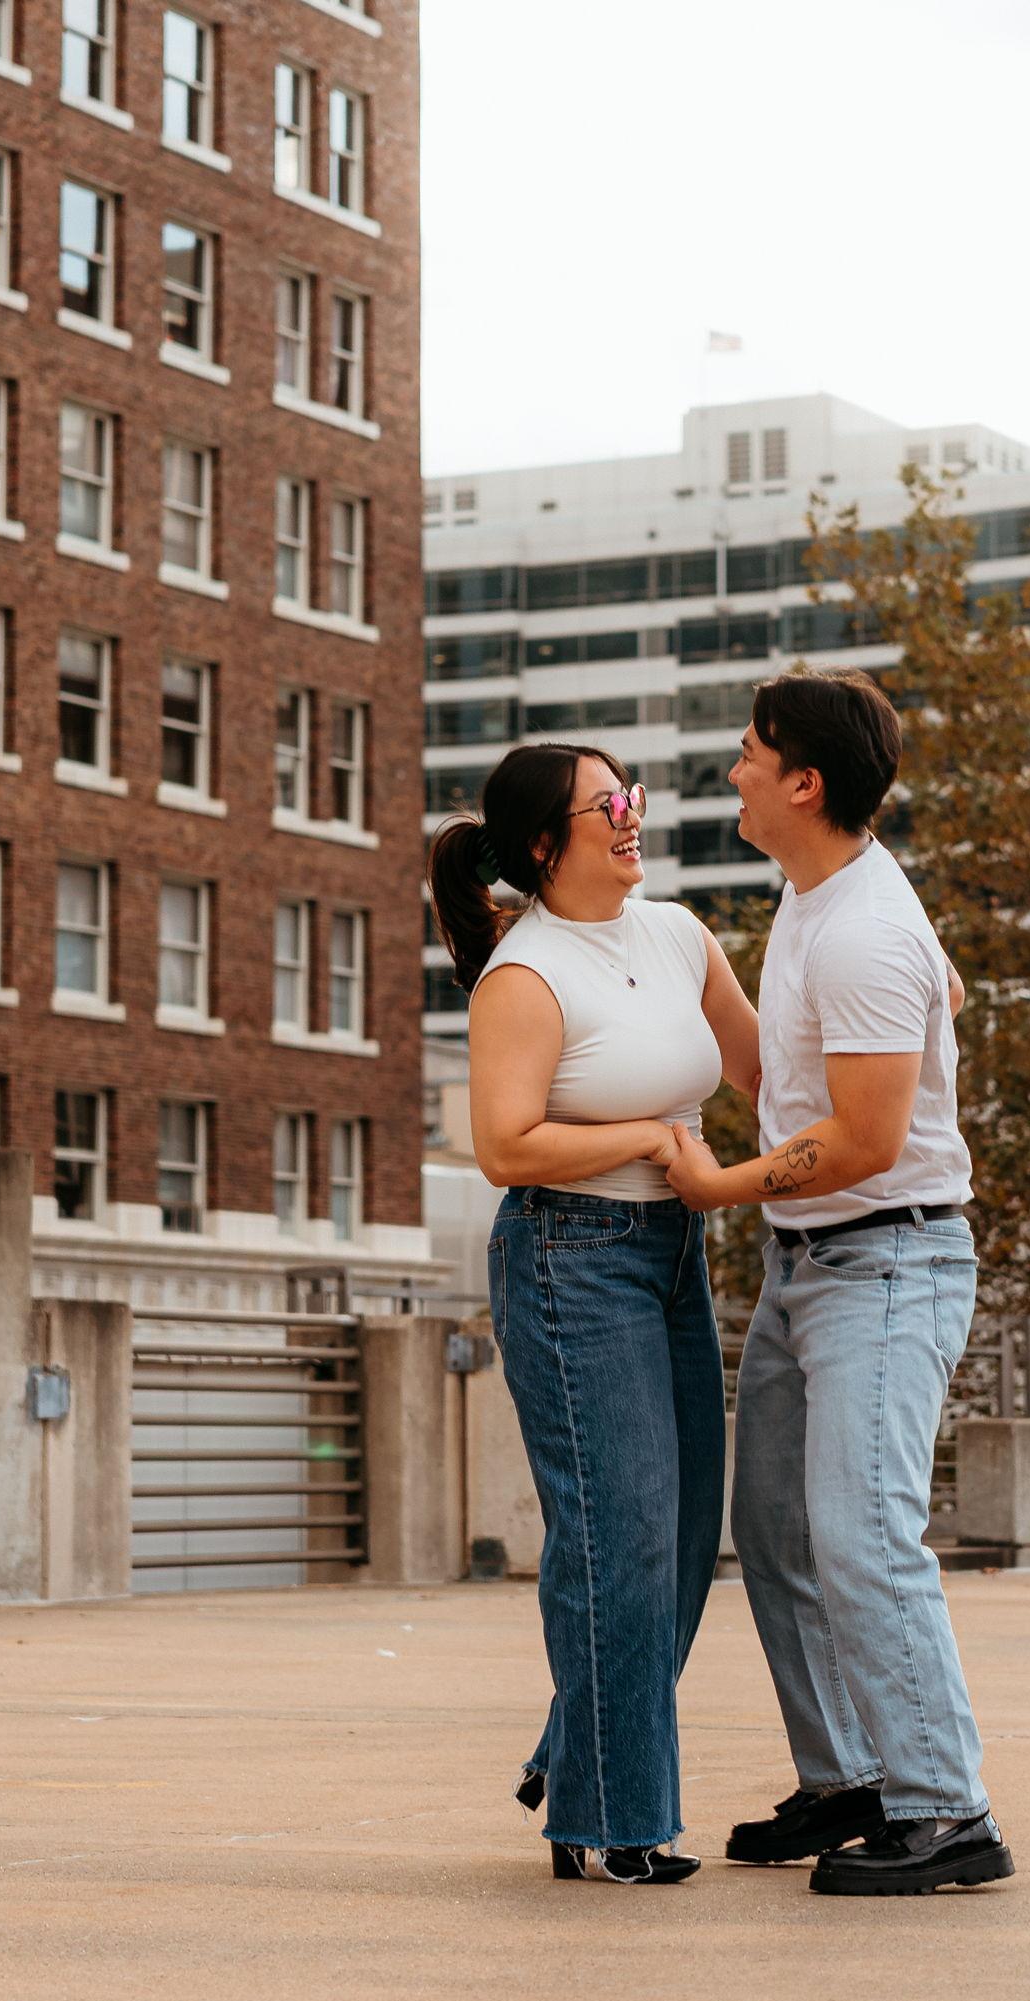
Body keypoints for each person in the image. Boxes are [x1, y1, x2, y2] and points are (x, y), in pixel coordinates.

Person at [662, 669, 1014, 1897]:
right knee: (771, 1524)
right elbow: (861, 1031)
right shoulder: (819, 892)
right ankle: (850, 1777)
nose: (733, 769)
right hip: (812, 1264)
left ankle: (945, 1808)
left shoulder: (860, 925)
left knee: (863, 1532)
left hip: (889, 1257)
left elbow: (864, 1137)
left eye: (751, 753)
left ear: (803, 782)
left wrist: (718, 1182)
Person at [428, 744, 760, 1884]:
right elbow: (503, 1144)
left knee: (675, 1545)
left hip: (673, 1250)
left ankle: (577, 1758)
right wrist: (645, 1137)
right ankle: (613, 1821)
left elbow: (773, 1074)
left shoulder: (677, 935)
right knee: (616, 1538)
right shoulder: (523, 975)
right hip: (571, 1255)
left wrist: (911, 992)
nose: (631, 818)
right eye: (605, 805)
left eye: (633, 798)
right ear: (541, 844)